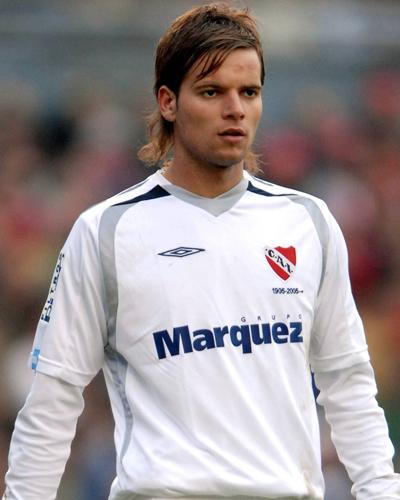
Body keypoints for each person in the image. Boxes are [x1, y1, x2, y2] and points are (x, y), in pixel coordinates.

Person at [3, 3, 400, 500]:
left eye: (249, 92)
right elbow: (52, 399)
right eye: (212, 92)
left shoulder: (307, 222)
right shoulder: (106, 231)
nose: (235, 109)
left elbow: (348, 382)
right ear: (168, 102)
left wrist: (381, 490)